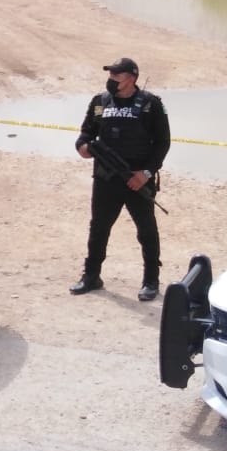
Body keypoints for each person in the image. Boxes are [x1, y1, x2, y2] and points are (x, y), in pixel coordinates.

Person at [70, 57, 171, 301]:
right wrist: (83, 147)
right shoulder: (99, 102)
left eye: (117, 76)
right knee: (99, 228)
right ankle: (92, 275)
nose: (112, 80)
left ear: (132, 78)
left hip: (137, 179)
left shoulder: (150, 104)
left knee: (146, 230)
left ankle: (151, 280)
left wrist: (145, 173)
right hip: (106, 179)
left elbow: (162, 143)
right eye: (110, 75)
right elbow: (86, 134)